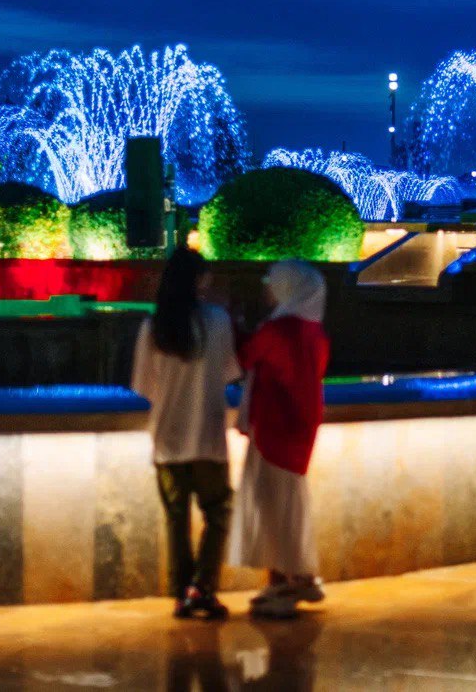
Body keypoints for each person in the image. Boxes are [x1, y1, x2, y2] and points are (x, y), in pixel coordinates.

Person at [132, 247, 241, 620]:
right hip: (208, 438)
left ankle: (182, 594)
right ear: (199, 280)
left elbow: (144, 386)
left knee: (176, 521)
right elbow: (230, 373)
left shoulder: (153, 328)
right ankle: (203, 588)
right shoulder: (218, 321)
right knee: (219, 513)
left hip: (167, 439)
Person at [229, 260, 329, 619]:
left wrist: (233, 325)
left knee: (271, 504)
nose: (267, 290)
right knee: (289, 502)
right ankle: (298, 574)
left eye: (272, 283)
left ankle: (284, 579)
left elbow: (245, 356)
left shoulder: (279, 330)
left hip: (274, 428)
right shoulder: (314, 332)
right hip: (299, 428)